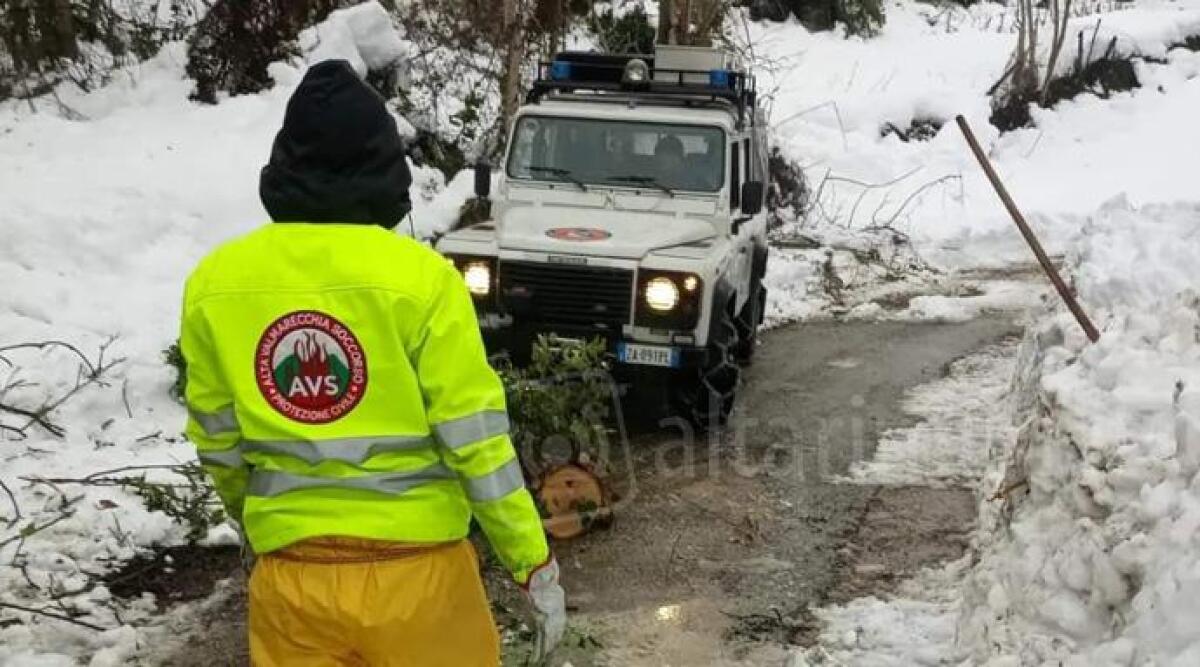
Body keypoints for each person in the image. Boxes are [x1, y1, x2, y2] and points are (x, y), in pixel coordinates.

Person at [180, 59, 565, 666]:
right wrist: (530, 561)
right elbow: (477, 444)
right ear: (387, 172)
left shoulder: (216, 284)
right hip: (421, 583)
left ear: (283, 168)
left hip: (292, 582)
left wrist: (262, 527)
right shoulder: (423, 283)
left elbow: (219, 442)